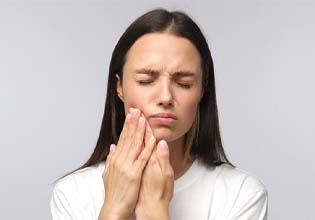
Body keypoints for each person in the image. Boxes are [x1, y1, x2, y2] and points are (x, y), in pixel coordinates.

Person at [50, 8, 268, 220]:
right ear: (119, 87)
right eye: (146, 80)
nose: (165, 96)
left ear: (202, 90)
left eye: (183, 83)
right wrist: (113, 212)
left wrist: (155, 211)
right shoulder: (73, 193)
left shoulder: (242, 194)